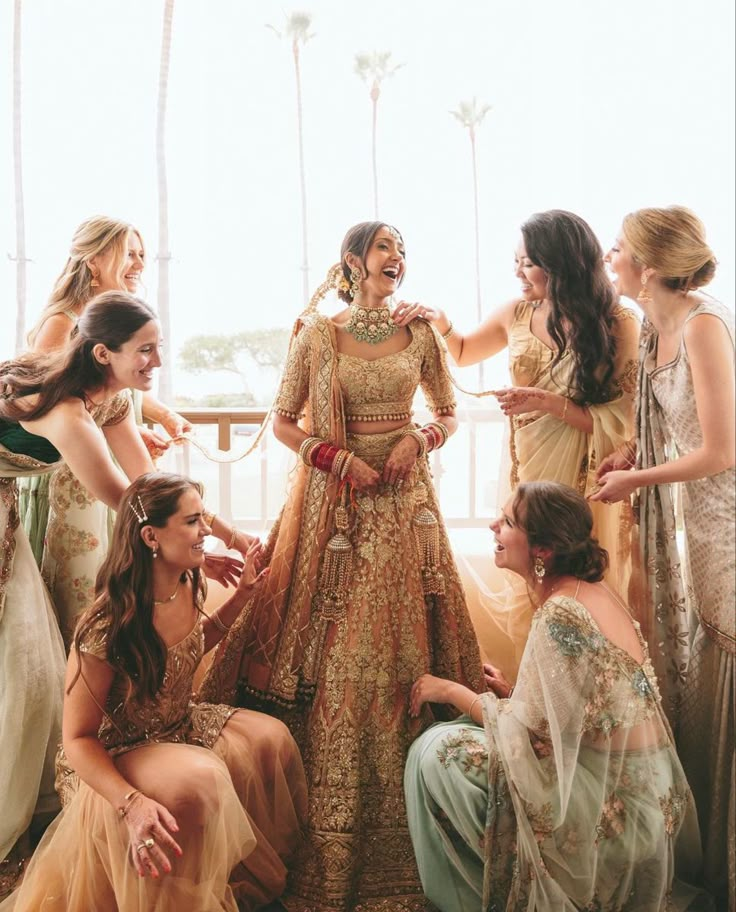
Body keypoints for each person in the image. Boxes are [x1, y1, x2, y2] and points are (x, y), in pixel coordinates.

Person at [200, 221, 484, 912]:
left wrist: (420, 439)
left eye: (405, 250)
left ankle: (413, 838)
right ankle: (328, 840)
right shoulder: (317, 335)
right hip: (338, 514)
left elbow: (450, 411)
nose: (398, 258)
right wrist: (335, 457)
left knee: (401, 648)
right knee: (337, 651)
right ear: (353, 262)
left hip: (404, 506)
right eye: (386, 247)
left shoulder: (421, 335)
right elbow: (284, 419)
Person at [0, 292, 246, 894]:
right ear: (104, 353)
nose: (157, 361)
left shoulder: (109, 395)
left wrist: (230, 534)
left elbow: (151, 486)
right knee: (26, 672)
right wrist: (199, 554)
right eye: (146, 350)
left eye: (159, 347)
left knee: (30, 665)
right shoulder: (68, 416)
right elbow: (130, 506)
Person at [0, 472, 307, 911]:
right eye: (193, 522)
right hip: (116, 749)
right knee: (200, 782)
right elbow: (77, 739)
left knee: (270, 740)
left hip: (175, 723)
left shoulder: (186, 582)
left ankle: (223, 884)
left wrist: (242, 596)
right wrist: (131, 805)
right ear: (151, 536)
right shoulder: (107, 627)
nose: (207, 532)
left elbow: (193, 643)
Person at [404, 481, 708, 912]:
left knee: (438, 752)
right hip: (651, 791)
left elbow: (528, 735)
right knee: (460, 737)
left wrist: (449, 691)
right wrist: (512, 692)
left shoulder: (560, 612)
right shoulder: (594, 593)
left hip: (619, 804)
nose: (493, 525)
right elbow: (585, 711)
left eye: (507, 521)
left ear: (542, 550)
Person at [395, 210, 640, 676]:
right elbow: (464, 352)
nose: (518, 272)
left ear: (561, 263)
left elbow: (630, 420)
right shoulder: (517, 312)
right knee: (528, 584)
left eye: (528, 262)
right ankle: (536, 707)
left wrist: (551, 404)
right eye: (516, 261)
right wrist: (439, 320)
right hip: (524, 470)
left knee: (580, 585)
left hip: (585, 480)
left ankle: (585, 707)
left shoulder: (617, 321)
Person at [592, 206, 734, 908]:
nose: (609, 257)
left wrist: (635, 480)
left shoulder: (705, 325)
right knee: (708, 654)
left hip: (730, 522)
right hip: (702, 526)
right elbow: (670, 434)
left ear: (649, 267)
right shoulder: (656, 327)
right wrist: (632, 454)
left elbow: (720, 450)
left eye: (618, 248)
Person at [20, 217, 191, 651]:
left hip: (93, 457)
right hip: (63, 471)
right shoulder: (64, 334)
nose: (138, 263)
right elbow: (57, 395)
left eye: (141, 255)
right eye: (128, 253)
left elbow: (114, 402)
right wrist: (185, 539)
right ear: (94, 261)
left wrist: (159, 416)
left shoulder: (111, 390)